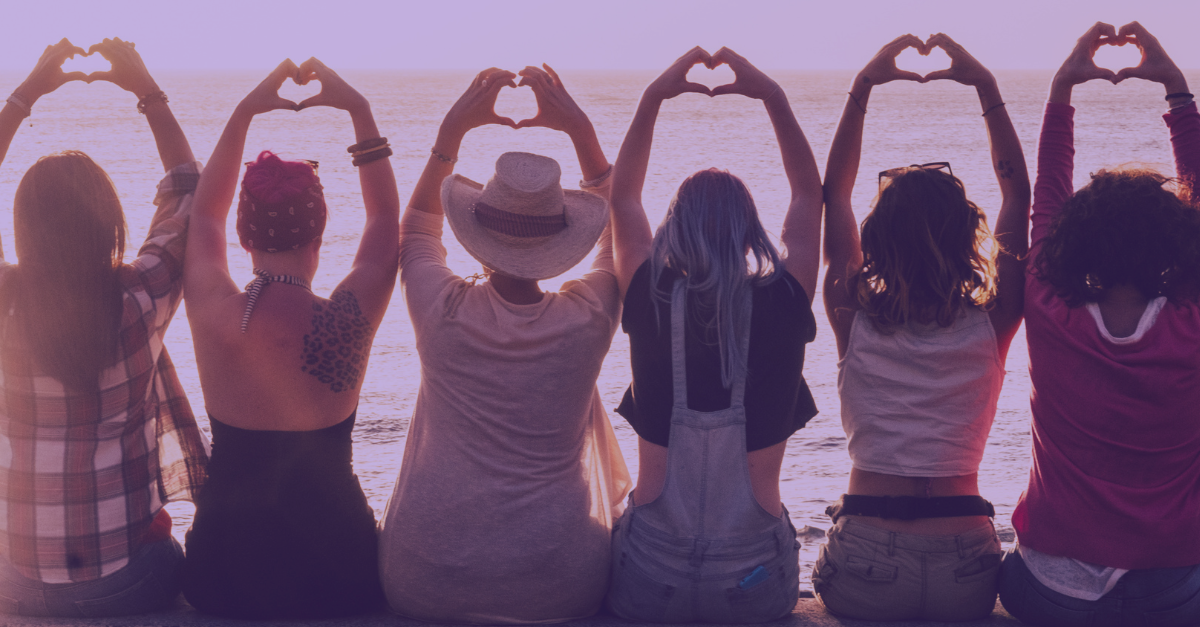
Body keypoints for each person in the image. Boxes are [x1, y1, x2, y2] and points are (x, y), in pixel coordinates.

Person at [378, 64, 629, 624]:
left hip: (424, 579)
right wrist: (580, 131)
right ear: (562, 240)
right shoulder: (589, 316)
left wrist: (453, 132)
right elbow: (623, 234)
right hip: (560, 583)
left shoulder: (441, 310)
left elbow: (417, 228)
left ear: (478, 236)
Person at [812, 34, 1030, 622]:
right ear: (967, 236)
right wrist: (984, 86)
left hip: (866, 558)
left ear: (877, 240)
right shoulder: (994, 320)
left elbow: (832, 196)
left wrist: (863, 88)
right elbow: (1018, 193)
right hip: (967, 562)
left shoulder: (850, 314)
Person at [605, 47, 823, 623]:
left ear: (672, 225)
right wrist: (771, 96)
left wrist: (654, 96)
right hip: (753, 580)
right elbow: (808, 197)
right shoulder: (783, 299)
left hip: (651, 576)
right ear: (750, 228)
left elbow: (621, 199)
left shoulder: (650, 291)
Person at [997, 22, 1200, 627]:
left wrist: (1062, 88)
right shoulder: (1189, 327)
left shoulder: (1050, 310)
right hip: (1175, 589)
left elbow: (1046, 202)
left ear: (1074, 245)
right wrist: (1177, 94)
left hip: (1053, 592)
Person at [179, 58, 396, 619]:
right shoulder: (349, 314)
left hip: (221, 570)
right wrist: (359, 110)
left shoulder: (215, 311)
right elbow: (383, 221)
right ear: (321, 228)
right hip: (339, 569)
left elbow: (204, 214)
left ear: (244, 232)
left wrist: (244, 113)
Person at [0, 39, 208, 617]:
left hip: (12, 581)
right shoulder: (141, 298)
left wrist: (24, 95)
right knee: (175, 548)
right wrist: (147, 91)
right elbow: (188, 187)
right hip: (125, 583)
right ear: (110, 225)